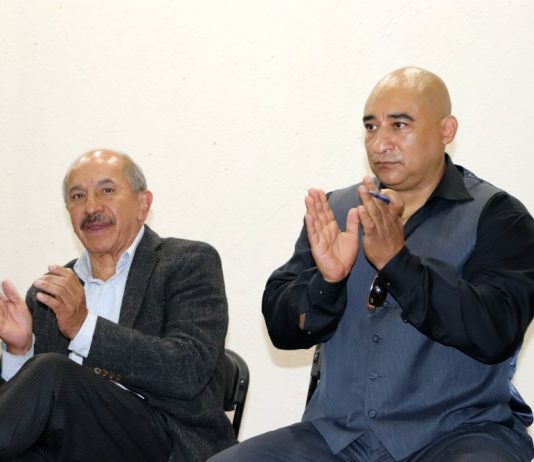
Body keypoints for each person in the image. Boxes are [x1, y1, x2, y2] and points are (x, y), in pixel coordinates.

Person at [209, 67, 534, 461]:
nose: (380, 143)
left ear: (446, 130)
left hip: (457, 434)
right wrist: (327, 282)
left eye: (399, 125)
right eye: (370, 127)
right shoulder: (337, 210)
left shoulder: (498, 216)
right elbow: (283, 330)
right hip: (337, 436)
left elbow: (496, 330)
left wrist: (399, 263)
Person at [0, 149, 235, 461]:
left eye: (107, 190)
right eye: (78, 196)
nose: (92, 207)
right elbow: (23, 417)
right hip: (71, 446)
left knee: (53, 371)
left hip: (164, 442)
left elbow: (188, 370)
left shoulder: (188, 263)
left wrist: (84, 327)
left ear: (143, 204)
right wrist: (20, 351)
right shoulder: (50, 291)